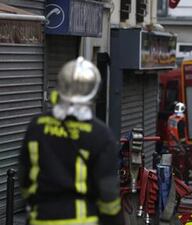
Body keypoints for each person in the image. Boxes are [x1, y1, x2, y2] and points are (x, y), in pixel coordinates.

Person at [18, 57, 125, 225]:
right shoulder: (100, 134)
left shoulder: (36, 126)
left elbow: (24, 176)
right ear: (94, 92)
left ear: (60, 86)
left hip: (40, 218)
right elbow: (108, 193)